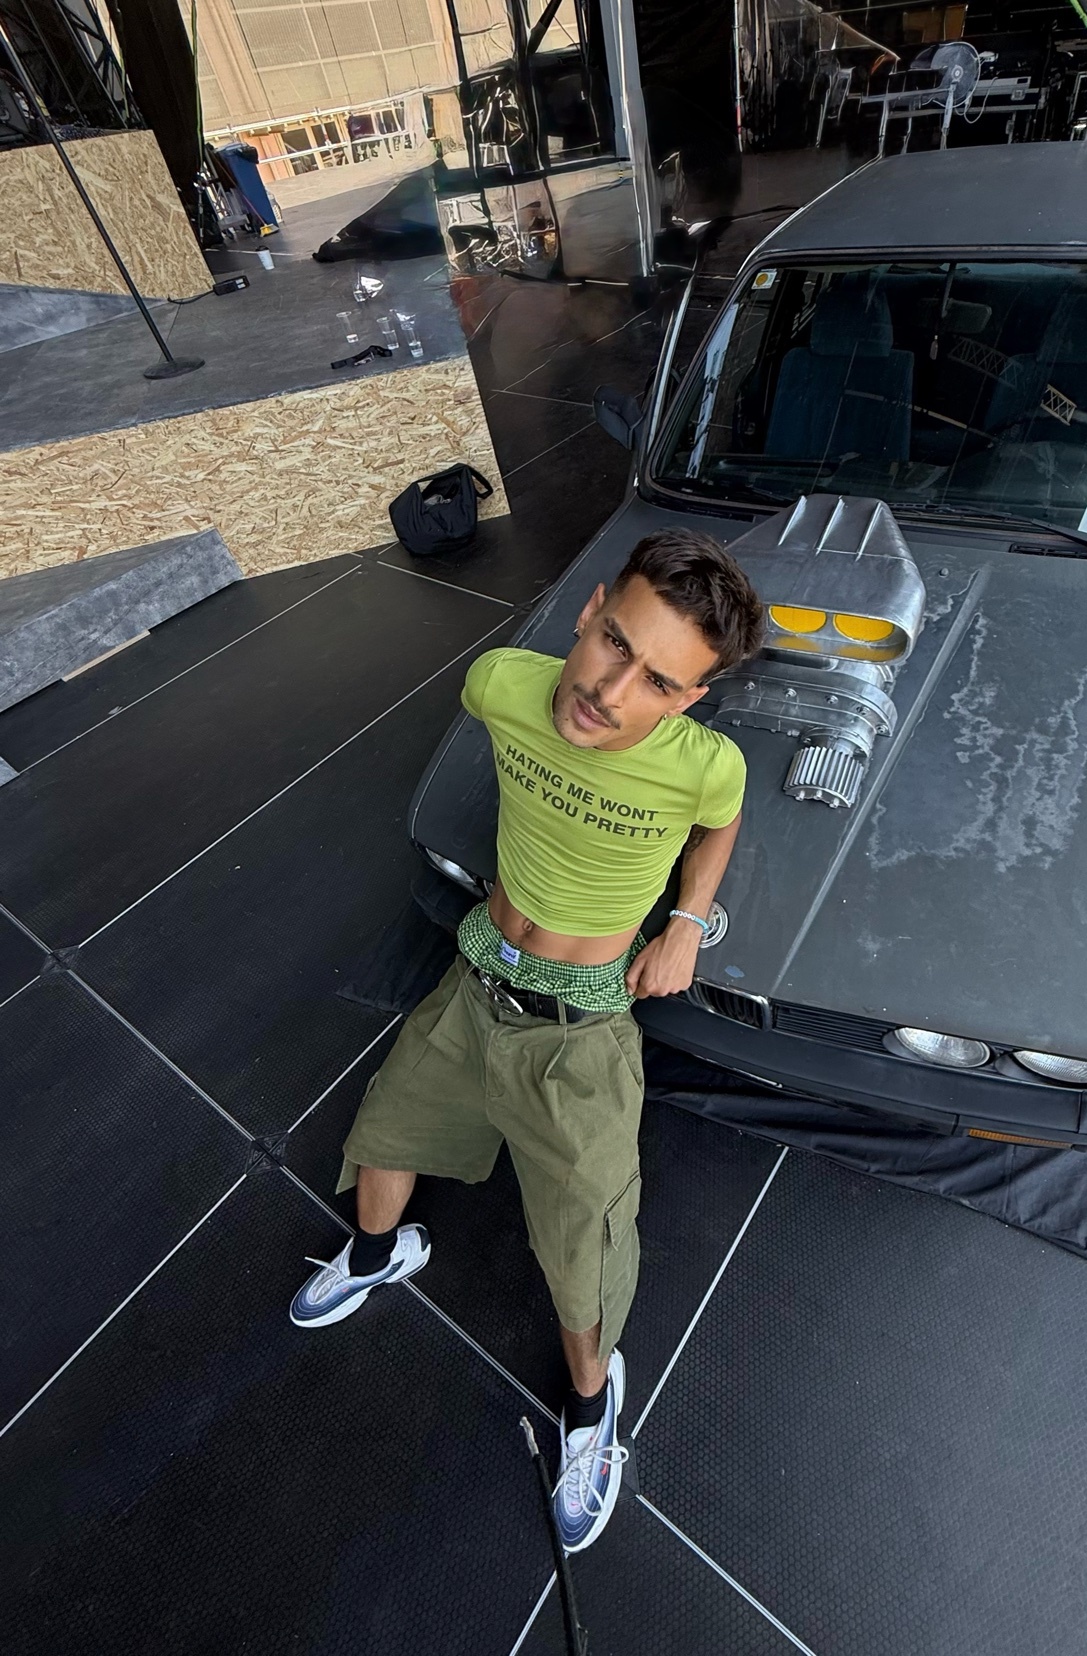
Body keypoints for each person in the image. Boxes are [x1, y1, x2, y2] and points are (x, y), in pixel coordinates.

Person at [290, 528, 765, 1552]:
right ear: (590, 607)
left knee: (579, 1250)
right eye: (611, 642)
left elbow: (720, 825)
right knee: (382, 1132)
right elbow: (520, 696)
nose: (610, 690)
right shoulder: (501, 683)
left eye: (656, 681)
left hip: (582, 1029)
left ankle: (593, 1411)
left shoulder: (704, 767)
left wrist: (685, 922)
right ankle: (380, 1254)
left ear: (688, 700)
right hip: (477, 982)